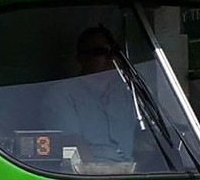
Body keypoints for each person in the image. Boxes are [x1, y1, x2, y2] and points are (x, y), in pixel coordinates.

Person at [41, 26, 141, 166]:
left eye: (113, 51)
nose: (109, 58)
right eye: (100, 52)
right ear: (81, 58)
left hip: (131, 173)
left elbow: (146, 139)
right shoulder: (62, 94)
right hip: (88, 177)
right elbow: (72, 143)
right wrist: (97, 177)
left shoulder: (128, 93)